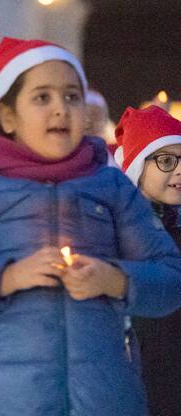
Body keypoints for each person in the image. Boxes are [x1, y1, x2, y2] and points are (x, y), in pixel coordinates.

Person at [0, 37, 181, 415]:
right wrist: (9, 277)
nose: (61, 109)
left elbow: (169, 277)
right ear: (7, 116)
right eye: (42, 98)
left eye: (72, 97)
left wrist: (114, 280)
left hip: (104, 399)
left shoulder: (111, 187)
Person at [114, 105, 181, 416]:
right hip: (141, 375)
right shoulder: (120, 232)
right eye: (166, 160)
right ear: (139, 168)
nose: (179, 170)